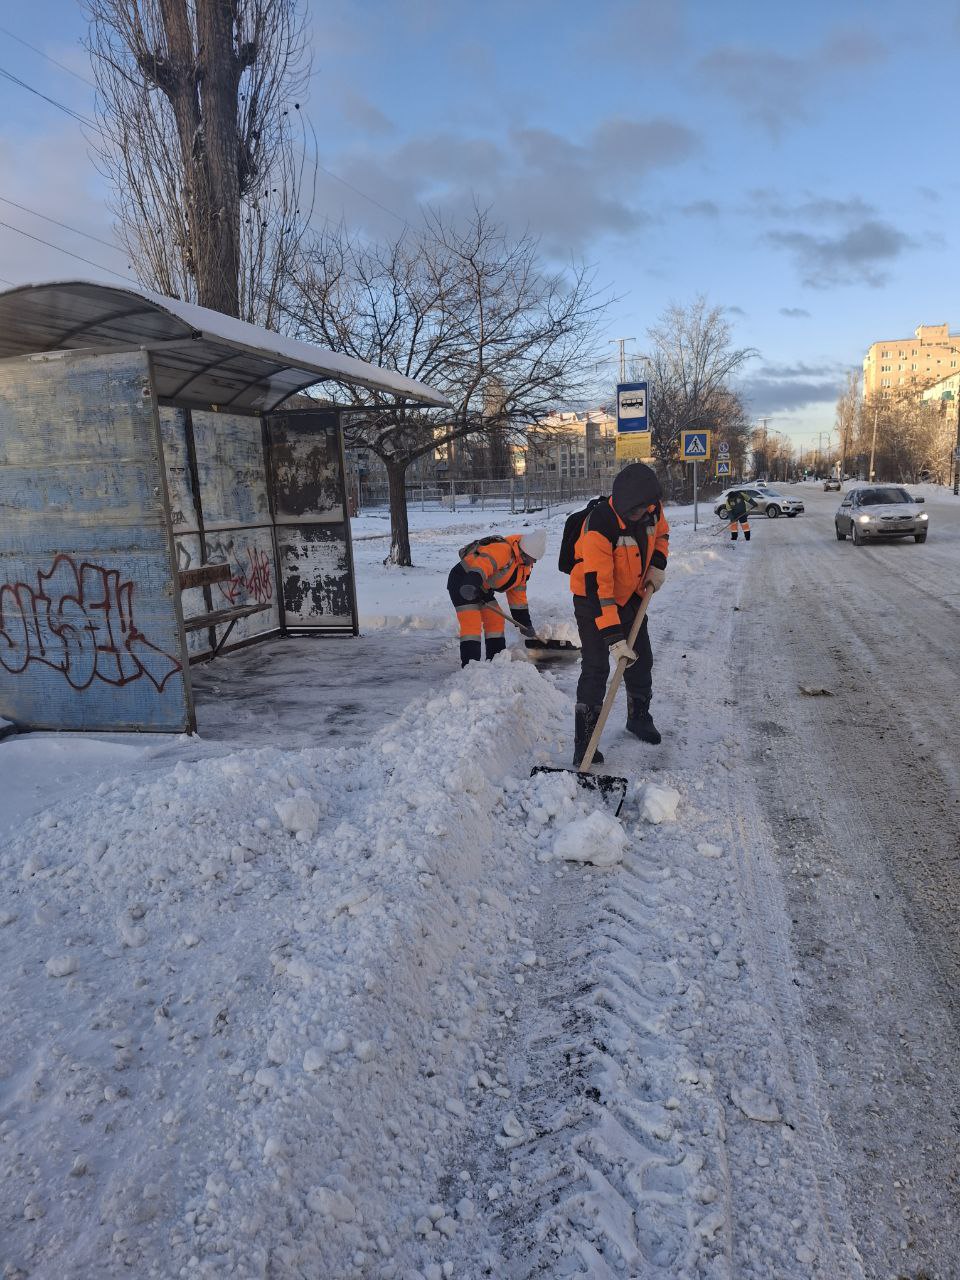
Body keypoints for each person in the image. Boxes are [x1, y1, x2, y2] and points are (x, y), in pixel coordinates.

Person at [567, 463, 669, 762]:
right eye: (630, 513)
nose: (635, 518)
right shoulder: (599, 526)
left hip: (633, 594)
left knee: (641, 659)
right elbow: (600, 590)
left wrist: (657, 565)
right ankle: (584, 742)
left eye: (639, 511)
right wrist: (613, 638)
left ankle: (639, 717)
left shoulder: (652, 510)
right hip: (591, 599)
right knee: (596, 667)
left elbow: (662, 535)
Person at [447, 529, 546, 666]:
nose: (533, 562)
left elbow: (517, 598)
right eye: (531, 559)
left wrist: (524, 623)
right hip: (464, 581)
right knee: (472, 622)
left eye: (535, 560)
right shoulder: (503, 550)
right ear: (523, 552)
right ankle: (470, 667)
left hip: (482, 587)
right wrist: (470, 585)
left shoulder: (523, 568)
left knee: (495, 618)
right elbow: (482, 566)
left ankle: (496, 662)